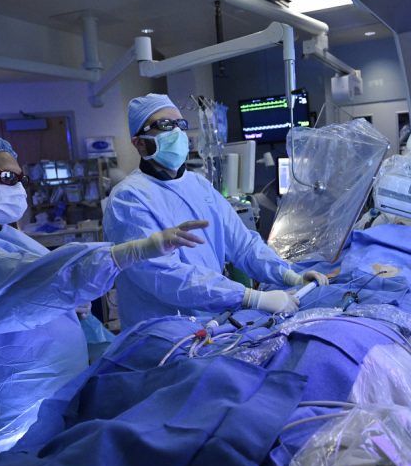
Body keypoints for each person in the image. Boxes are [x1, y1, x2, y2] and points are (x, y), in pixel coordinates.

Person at [0, 129, 207, 464]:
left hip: (44, 399)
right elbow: (37, 279)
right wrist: (137, 250)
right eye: (5, 177)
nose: (17, 187)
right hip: (2, 412)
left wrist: (65, 304)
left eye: (20, 178)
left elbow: (30, 286)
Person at [103, 93, 328, 328]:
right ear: (139, 142)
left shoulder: (198, 185)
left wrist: (289, 276)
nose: (177, 132)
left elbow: (244, 245)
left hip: (210, 325)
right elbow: (165, 277)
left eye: (180, 124)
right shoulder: (128, 199)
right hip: (161, 334)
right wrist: (250, 297)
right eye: (165, 125)